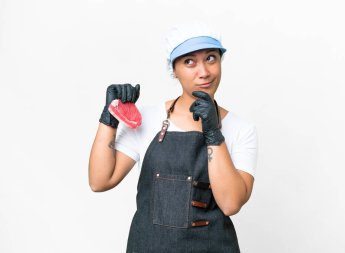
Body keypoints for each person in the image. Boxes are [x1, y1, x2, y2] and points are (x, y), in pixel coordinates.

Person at [89, 22, 258, 253]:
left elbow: (230, 204)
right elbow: (100, 181)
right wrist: (110, 117)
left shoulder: (240, 129)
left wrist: (213, 133)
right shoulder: (148, 119)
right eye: (189, 62)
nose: (204, 72)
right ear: (174, 69)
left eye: (211, 58)